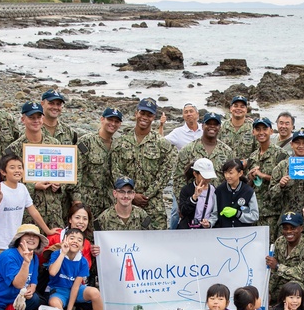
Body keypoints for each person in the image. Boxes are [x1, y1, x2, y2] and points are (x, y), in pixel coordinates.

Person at [6, 102, 71, 231]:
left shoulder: (55, 144)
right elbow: (9, 182)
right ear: (23, 119)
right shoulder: (13, 149)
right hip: (29, 213)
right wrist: (33, 186)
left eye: (38, 117)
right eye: (31, 117)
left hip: (54, 210)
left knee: (57, 242)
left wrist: (59, 184)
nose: (36, 121)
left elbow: (66, 173)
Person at [112, 97, 175, 230]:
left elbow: (165, 174)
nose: (145, 117)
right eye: (142, 113)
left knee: (157, 239)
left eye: (149, 115)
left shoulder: (162, 144)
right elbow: (116, 171)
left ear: (154, 117)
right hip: (125, 202)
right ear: (136, 113)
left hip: (152, 204)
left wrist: (146, 195)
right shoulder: (121, 142)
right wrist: (131, 195)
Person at [46, 227, 114, 310]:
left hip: (75, 290)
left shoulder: (83, 261)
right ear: (64, 240)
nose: (75, 241)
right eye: (71, 238)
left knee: (95, 292)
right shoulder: (56, 254)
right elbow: (52, 272)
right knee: (53, 303)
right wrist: (63, 253)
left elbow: (76, 286)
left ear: (82, 246)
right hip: (59, 290)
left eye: (79, 240)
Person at [0, 154, 53, 261]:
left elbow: (33, 212)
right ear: (3, 172)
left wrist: (47, 231)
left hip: (15, 240)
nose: (17, 170)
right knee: (3, 269)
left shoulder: (22, 188)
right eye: (12, 167)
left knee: (15, 269)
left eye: (20, 167)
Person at [173, 111, 232, 228]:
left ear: (220, 127)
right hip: (193, 204)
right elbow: (178, 178)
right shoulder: (188, 149)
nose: (212, 127)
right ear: (202, 125)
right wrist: (182, 203)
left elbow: (231, 178)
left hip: (216, 205)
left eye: (215, 124)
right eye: (208, 124)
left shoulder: (227, 151)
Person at [75, 108, 122, 221]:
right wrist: (76, 200)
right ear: (102, 119)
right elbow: (76, 172)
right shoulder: (86, 142)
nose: (113, 124)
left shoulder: (118, 146)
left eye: (116, 121)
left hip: (109, 203)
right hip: (87, 201)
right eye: (110, 120)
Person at [269, 129, 304, 223]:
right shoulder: (282, 166)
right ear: (291, 144)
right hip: (287, 220)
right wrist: (280, 186)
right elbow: (271, 195)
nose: (301, 146)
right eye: (297, 143)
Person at [246, 117, 288, 237]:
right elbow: (249, 185)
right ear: (253, 132)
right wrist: (250, 178)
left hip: (273, 211)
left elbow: (286, 181)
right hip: (255, 210)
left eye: (265, 129)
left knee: (271, 245)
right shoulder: (253, 156)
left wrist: (263, 175)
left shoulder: (281, 154)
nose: (261, 132)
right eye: (258, 129)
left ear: (271, 131)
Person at [266, 211, 304, 302]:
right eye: (285, 228)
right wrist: (268, 291)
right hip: (281, 284)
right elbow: (273, 272)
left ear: (301, 228)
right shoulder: (280, 242)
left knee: (292, 289)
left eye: (293, 228)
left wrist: (278, 267)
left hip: (302, 285)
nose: (289, 231)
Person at [209, 159, 259, 229]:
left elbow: (255, 216)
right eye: (225, 173)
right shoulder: (219, 190)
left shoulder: (248, 191)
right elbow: (215, 215)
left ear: (240, 173)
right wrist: (209, 223)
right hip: (223, 231)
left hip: (242, 231)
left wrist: (238, 213)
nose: (227, 176)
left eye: (231, 173)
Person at [177, 158, 217, 229]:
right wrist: (194, 197)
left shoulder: (213, 190)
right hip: (188, 229)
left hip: (206, 230)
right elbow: (183, 212)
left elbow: (215, 212)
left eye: (209, 177)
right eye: (204, 176)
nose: (207, 179)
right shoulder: (186, 190)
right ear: (195, 174)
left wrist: (209, 223)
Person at [219, 95, 256, 159]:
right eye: (235, 106)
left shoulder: (253, 128)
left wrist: (247, 161)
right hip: (225, 164)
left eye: (242, 107)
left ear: (246, 110)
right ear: (231, 108)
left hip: (246, 164)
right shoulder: (222, 127)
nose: (238, 108)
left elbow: (259, 150)